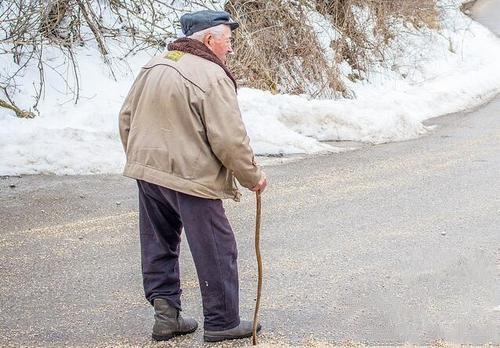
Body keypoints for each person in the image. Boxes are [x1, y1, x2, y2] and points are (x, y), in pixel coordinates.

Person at [118, 9, 267, 343]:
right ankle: (223, 322)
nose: (230, 50)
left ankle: (166, 317)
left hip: (149, 171)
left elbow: (126, 117)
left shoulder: (154, 65)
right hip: (190, 176)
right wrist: (252, 176)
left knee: (159, 243)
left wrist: (142, 159)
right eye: (228, 41)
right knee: (217, 247)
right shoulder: (212, 75)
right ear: (210, 39)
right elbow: (230, 138)